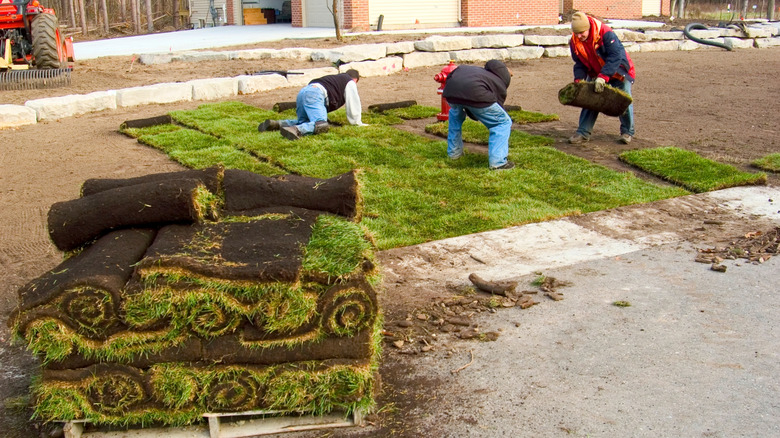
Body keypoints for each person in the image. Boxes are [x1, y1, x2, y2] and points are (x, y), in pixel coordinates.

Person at [567, 11, 636, 145]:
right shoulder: (574, 42)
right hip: (596, 72)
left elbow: (615, 56)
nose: (579, 36)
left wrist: (603, 77)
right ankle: (583, 133)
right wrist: (579, 81)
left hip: (619, 71)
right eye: (577, 33)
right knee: (590, 99)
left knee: (624, 100)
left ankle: (627, 132)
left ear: (588, 27)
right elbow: (579, 63)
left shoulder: (605, 32)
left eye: (582, 32)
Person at [442, 59, 515, 170]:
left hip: (451, 92)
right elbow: (495, 108)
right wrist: (475, 114)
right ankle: (498, 163)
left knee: (455, 115)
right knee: (502, 122)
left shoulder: (477, 72)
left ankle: (454, 154)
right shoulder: (499, 83)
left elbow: (452, 76)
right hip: (476, 94)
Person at [258, 69, 366, 140]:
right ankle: (296, 130)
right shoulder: (349, 82)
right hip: (315, 94)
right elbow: (353, 102)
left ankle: (278, 124)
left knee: (305, 121)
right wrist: (356, 122)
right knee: (321, 124)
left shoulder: (335, 79)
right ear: (355, 80)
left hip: (303, 92)